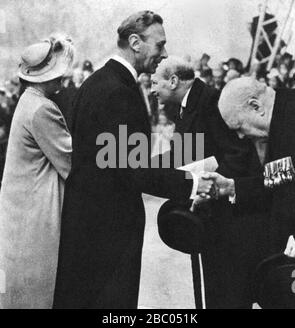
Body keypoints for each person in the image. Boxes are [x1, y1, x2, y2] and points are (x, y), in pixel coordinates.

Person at [53, 11, 214, 309]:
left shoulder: (100, 82)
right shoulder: (118, 92)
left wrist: (186, 156)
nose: (164, 54)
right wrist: (194, 183)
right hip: (109, 231)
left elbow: (123, 158)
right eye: (160, 45)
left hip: (92, 224)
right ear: (135, 42)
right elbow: (133, 168)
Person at [151, 57, 265, 309]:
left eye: (155, 82)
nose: (151, 89)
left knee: (227, 292)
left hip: (231, 215)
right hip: (214, 215)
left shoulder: (211, 101)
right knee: (216, 290)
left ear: (173, 81)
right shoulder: (188, 104)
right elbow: (185, 153)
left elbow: (237, 155)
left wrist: (210, 189)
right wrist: (144, 164)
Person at [0, 35, 74, 309]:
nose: (61, 80)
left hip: (20, 213)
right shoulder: (43, 109)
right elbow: (70, 162)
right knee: (37, 293)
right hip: (35, 215)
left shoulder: (26, 101)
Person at [206, 77, 295, 262]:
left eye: (239, 127)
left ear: (256, 106)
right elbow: (286, 173)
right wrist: (233, 187)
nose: (240, 136)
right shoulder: (283, 117)